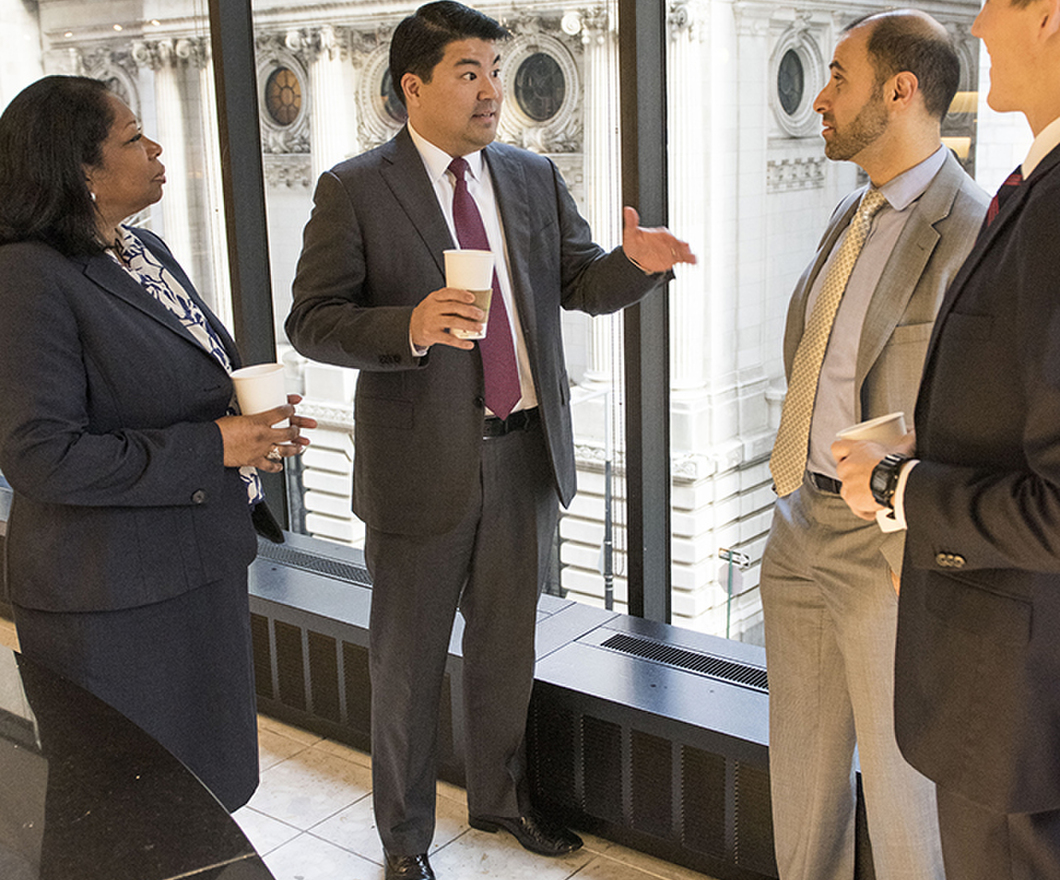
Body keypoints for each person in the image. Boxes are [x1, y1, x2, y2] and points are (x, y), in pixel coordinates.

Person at [285, 3, 694, 877]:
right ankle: (403, 843)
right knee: (406, 666)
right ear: (413, 86)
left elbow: (579, 279)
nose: (491, 91)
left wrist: (637, 267)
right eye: (469, 71)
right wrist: (413, 324)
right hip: (417, 468)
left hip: (523, 455)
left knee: (507, 650)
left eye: (495, 72)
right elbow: (312, 321)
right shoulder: (354, 188)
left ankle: (501, 801)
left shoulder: (528, 175)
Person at [0, 75, 315, 812]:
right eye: (134, 138)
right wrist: (216, 446)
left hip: (194, 569)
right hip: (111, 601)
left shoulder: (144, 252)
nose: (157, 148)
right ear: (80, 170)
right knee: (136, 815)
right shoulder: (24, 276)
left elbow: (184, 382)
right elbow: (41, 456)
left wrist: (251, 431)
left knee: (206, 798)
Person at [760, 11, 988, 880]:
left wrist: (925, 539)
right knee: (803, 790)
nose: (820, 97)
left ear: (900, 92)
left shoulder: (972, 229)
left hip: (893, 547)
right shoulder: (848, 218)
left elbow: (979, 418)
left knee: (906, 808)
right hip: (800, 527)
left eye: (839, 78)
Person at [833, 0, 1060, 875]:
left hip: (1019, 710)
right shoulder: (1032, 187)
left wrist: (901, 490)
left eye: (997, 3)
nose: (980, 27)